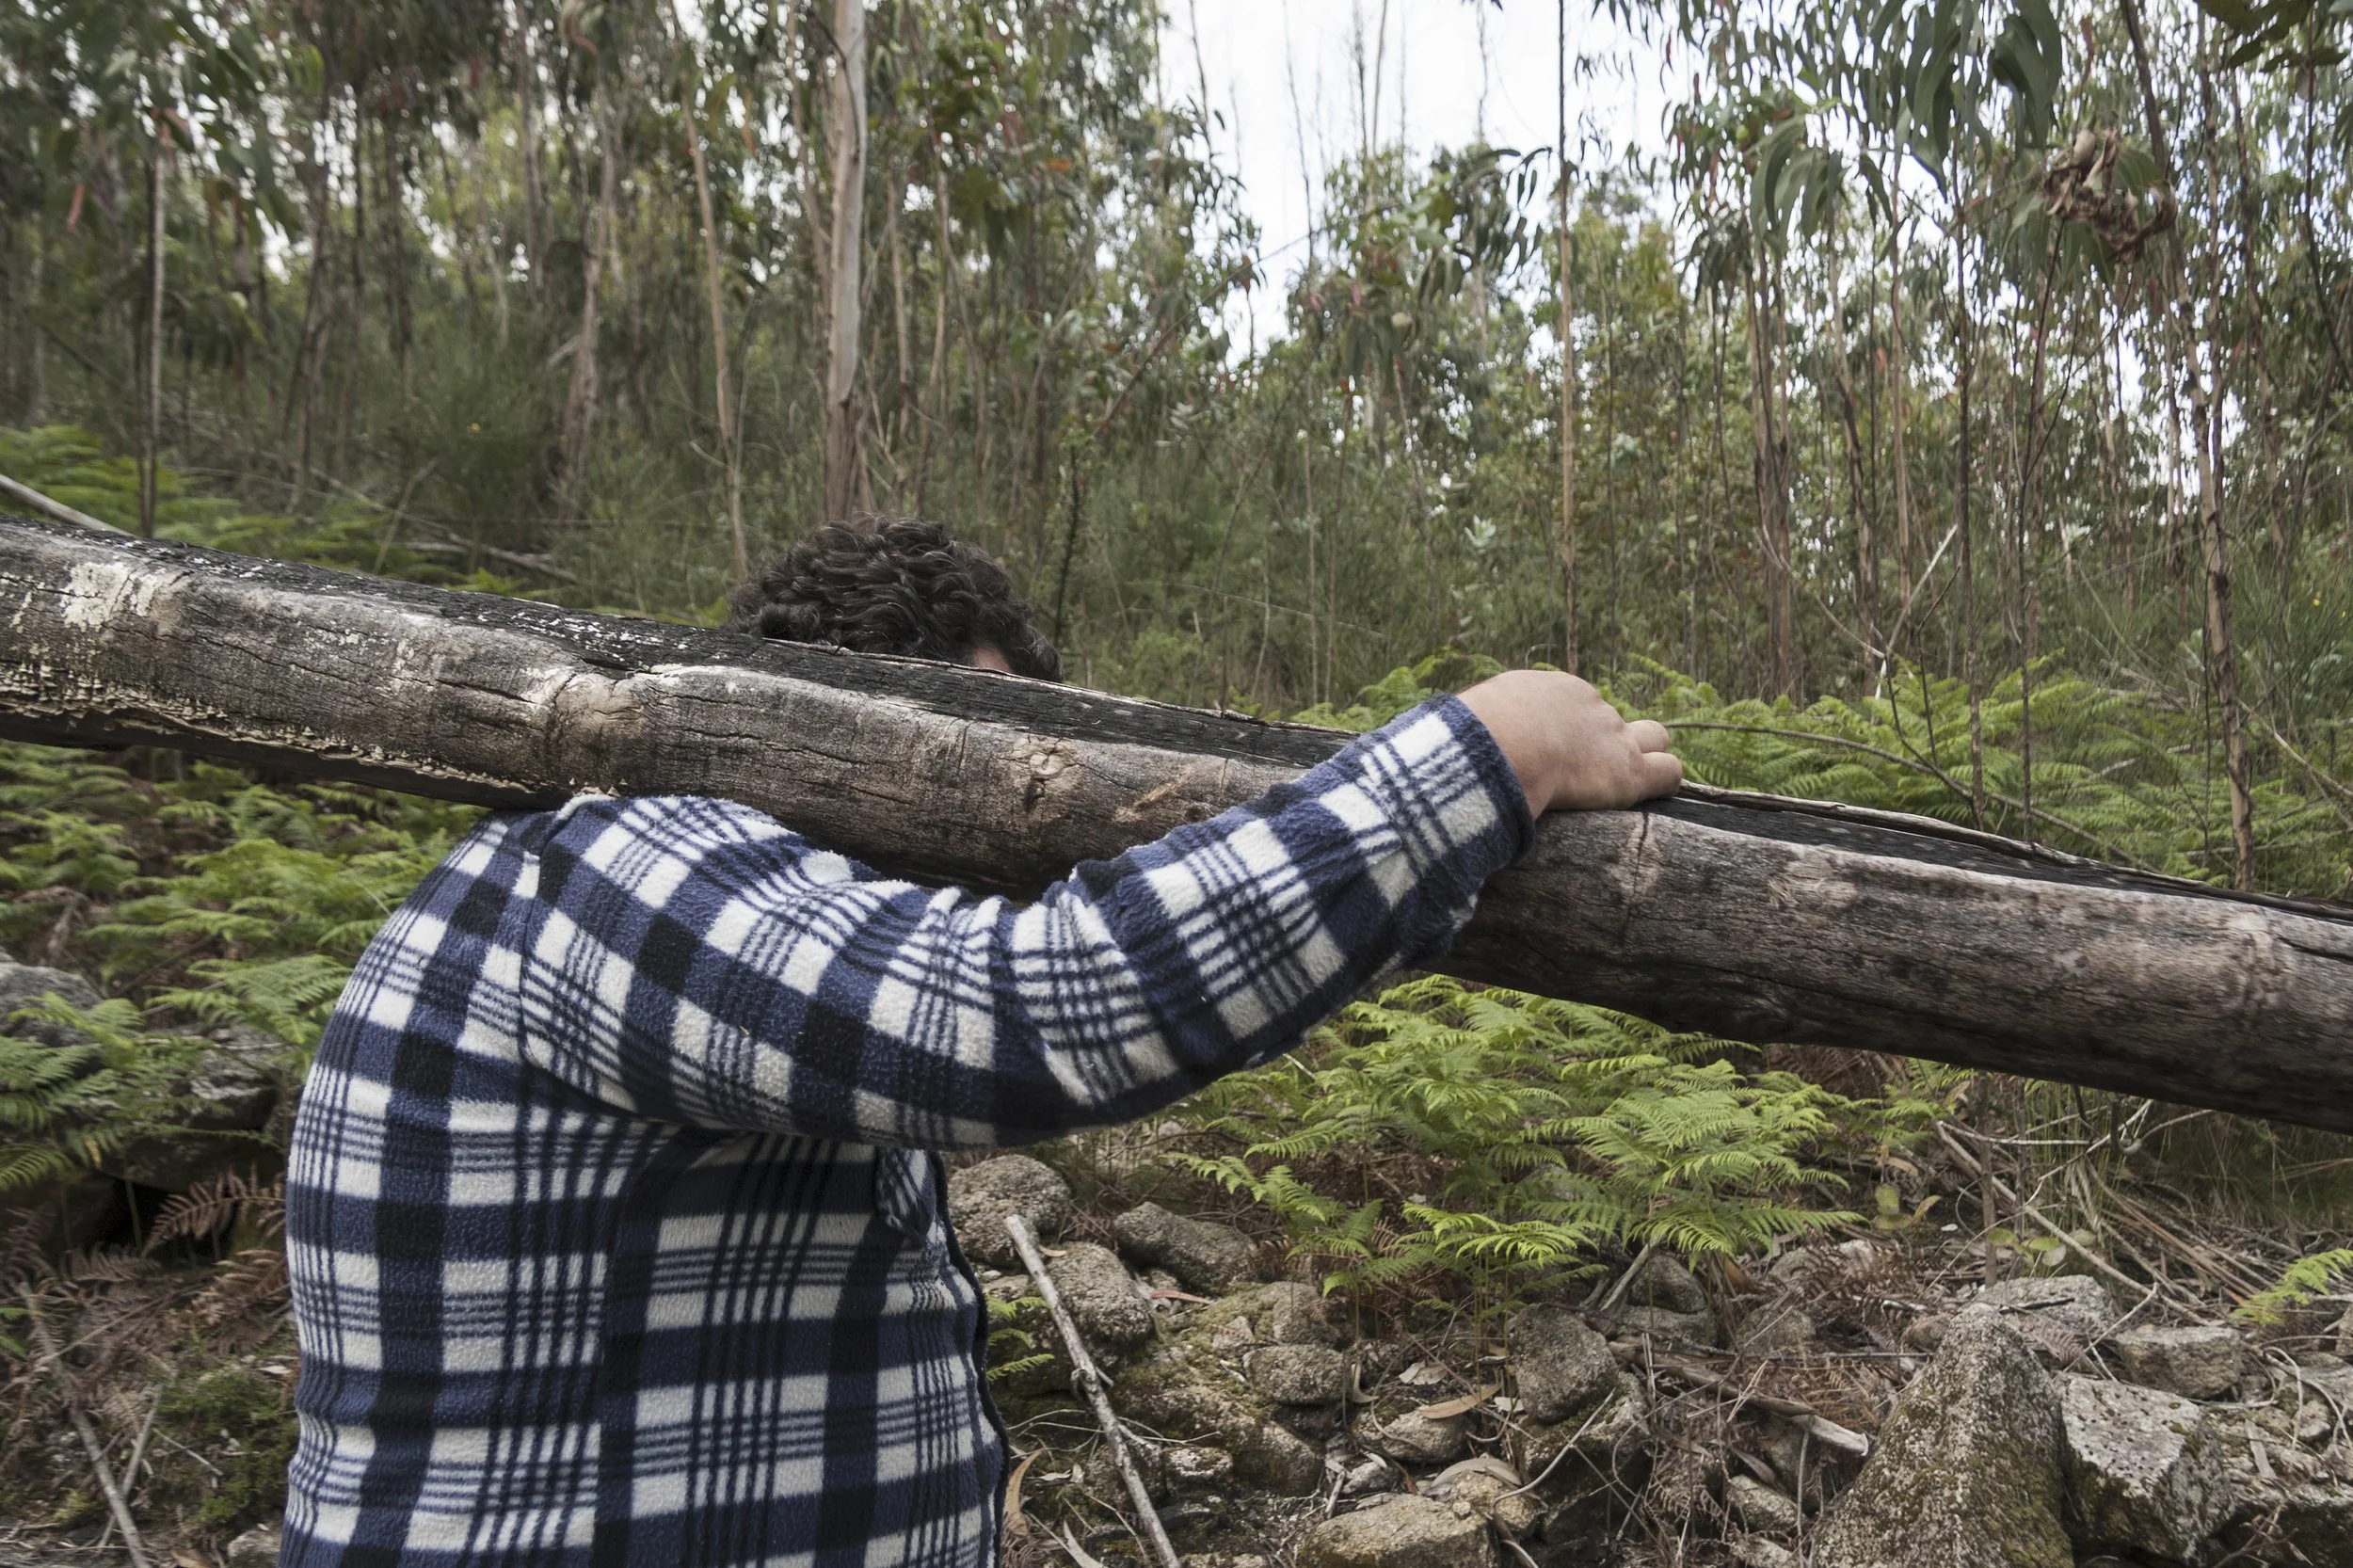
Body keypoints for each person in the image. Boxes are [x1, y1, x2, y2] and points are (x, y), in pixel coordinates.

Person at [280, 516, 1681, 1568]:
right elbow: (1036, 1003)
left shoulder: (724, 935)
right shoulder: (630, 867)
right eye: (991, 749)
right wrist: (1492, 751)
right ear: (848, 719)